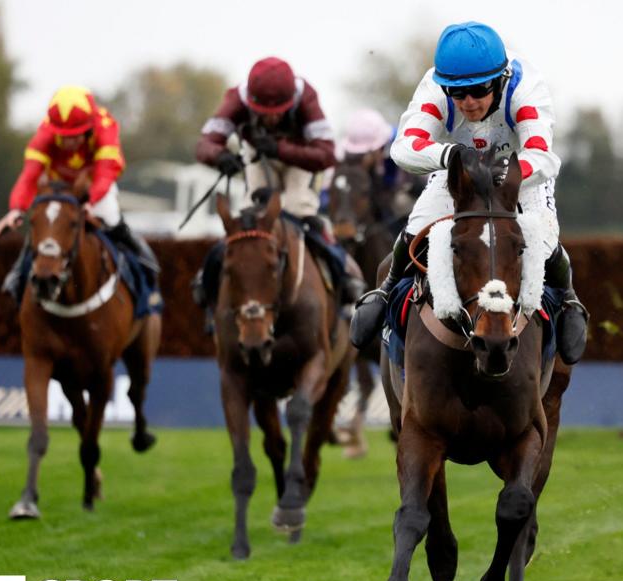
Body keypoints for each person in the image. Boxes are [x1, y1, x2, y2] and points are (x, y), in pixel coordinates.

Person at [348, 21, 588, 365]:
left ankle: (567, 298)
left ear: (500, 80)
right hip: (460, 171)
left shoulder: (527, 88)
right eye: (458, 94)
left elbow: (542, 155)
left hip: (522, 173)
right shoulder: (433, 87)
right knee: (417, 227)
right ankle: (386, 290)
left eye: (478, 90)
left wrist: (505, 173)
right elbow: (403, 148)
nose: (468, 102)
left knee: (543, 237)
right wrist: (449, 156)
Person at [192, 56, 365, 320]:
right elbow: (204, 144)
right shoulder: (235, 99)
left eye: (279, 111)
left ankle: (344, 273)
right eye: (263, 112)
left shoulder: (306, 96)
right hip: (258, 155)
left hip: (302, 157)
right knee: (253, 217)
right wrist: (219, 156)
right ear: (250, 100)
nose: (272, 118)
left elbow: (327, 154)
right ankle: (210, 279)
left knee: (297, 209)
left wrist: (279, 149)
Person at [0, 85, 158, 301]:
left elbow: (106, 171)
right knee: (42, 229)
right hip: (59, 189)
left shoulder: (105, 127)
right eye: (64, 136)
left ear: (89, 126)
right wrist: (16, 209)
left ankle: (144, 268)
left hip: (95, 185)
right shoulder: (43, 135)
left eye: (77, 135)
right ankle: (18, 277)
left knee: (112, 220)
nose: (71, 142)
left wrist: (91, 201)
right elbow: (29, 176)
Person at [338, 108, 425, 231]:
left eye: (365, 153)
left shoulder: (405, 146)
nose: (362, 158)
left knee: (400, 203)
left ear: (379, 147)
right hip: (379, 201)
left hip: (407, 202)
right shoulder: (351, 156)